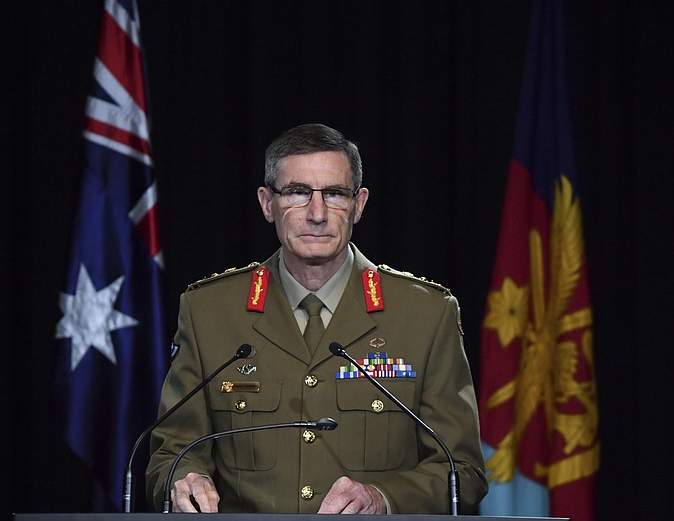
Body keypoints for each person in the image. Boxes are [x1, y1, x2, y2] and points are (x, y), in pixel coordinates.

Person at [146, 123, 488, 514]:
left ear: (358, 204)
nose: (317, 213)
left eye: (335, 194)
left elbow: (463, 470)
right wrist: (185, 477)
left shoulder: (426, 314)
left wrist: (384, 499)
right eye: (297, 192)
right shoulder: (210, 312)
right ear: (266, 203)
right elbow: (170, 453)